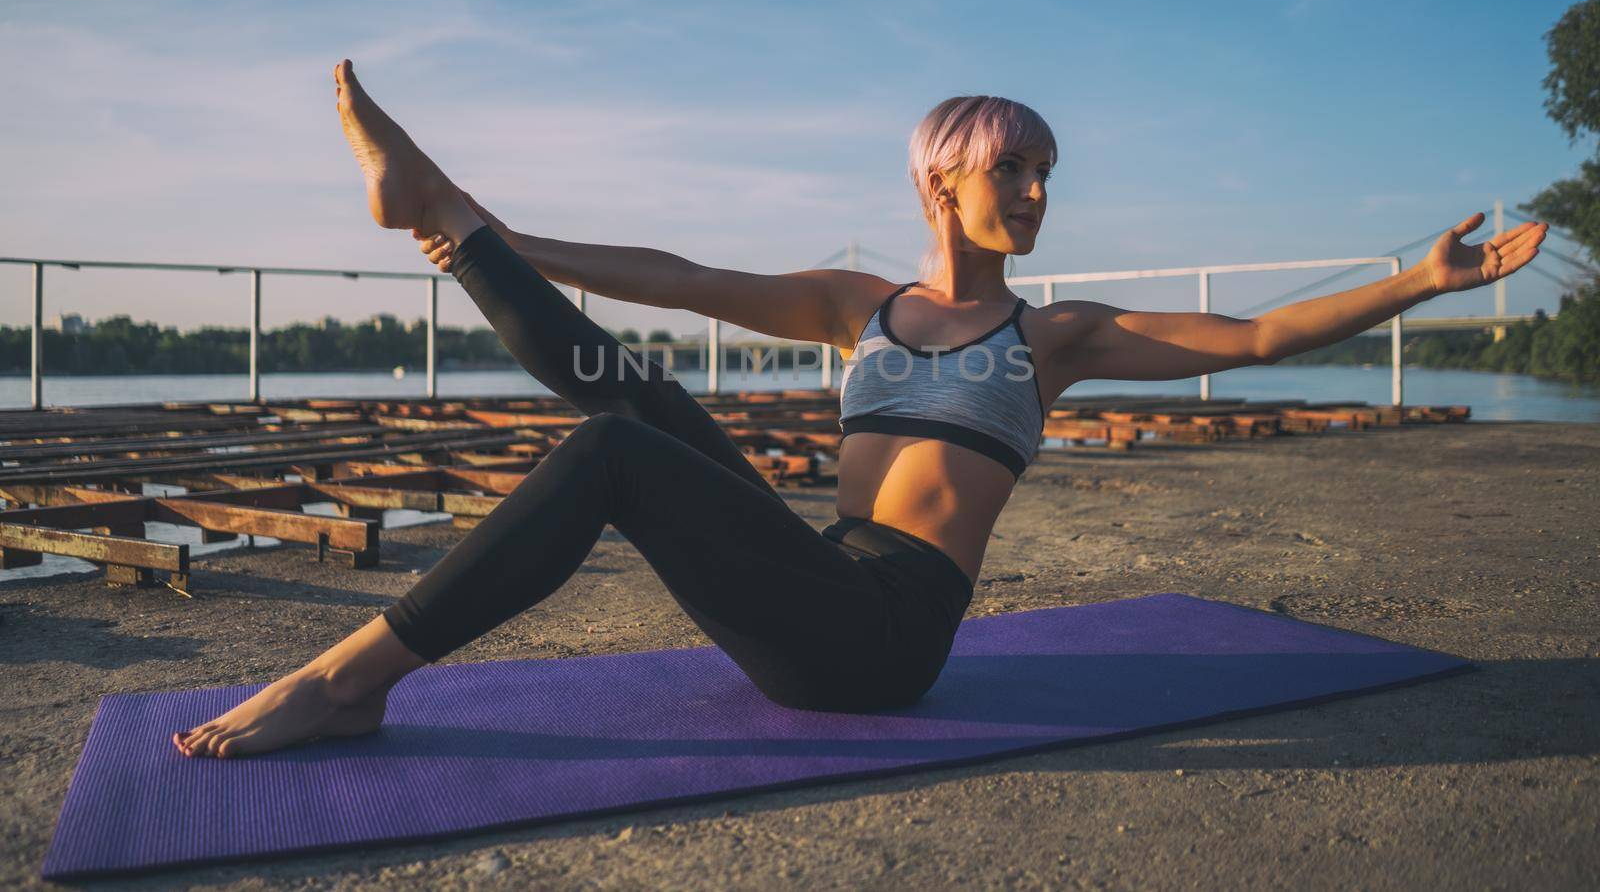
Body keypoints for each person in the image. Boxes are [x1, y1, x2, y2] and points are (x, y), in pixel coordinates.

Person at [172, 61, 1547, 757]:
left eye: (1047, 170)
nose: (1033, 190)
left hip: (882, 644)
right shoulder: (858, 303)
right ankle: (456, 219)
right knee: (634, 400)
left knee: (608, 450)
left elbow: (1250, 337)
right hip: (814, 584)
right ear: (939, 182)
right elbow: (686, 278)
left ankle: (343, 683)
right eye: (1010, 165)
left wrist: (1411, 284)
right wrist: (522, 242)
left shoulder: (1052, 335)